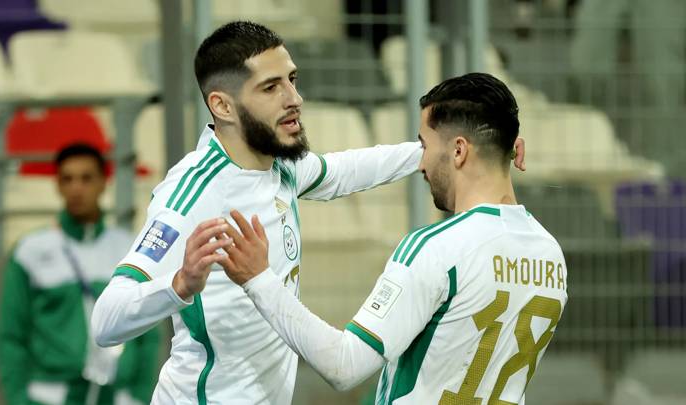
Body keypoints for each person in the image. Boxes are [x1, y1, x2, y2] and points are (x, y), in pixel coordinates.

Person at [91, 21, 526, 404]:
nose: (294, 98)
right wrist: (180, 283)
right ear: (222, 106)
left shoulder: (279, 165)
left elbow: (342, 171)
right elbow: (106, 321)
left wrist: (448, 152)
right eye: (270, 87)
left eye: (292, 79)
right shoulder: (190, 193)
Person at [217, 73, 567, 404]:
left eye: (423, 146)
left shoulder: (437, 247)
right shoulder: (550, 252)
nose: (421, 163)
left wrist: (259, 280)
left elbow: (344, 365)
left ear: (459, 151)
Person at [0, 144, 161, 405]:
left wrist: (140, 396)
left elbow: (149, 335)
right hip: (48, 397)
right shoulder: (30, 250)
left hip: (117, 397)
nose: (76, 188)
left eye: (86, 178)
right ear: (57, 185)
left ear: (104, 182)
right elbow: (12, 337)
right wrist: (19, 399)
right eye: (67, 179)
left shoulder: (130, 248)